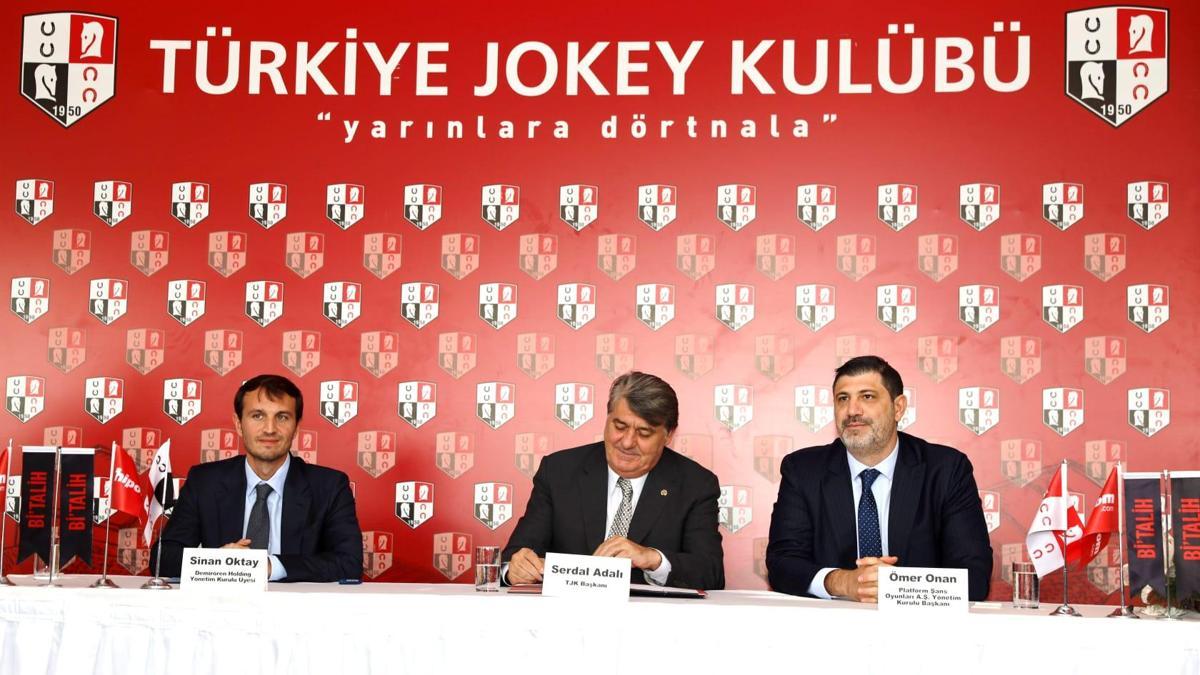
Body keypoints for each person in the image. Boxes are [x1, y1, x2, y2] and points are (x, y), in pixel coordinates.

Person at [766, 356, 992, 602]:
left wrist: (897, 585)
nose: (852, 410)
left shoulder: (946, 470)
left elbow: (974, 575)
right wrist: (843, 582)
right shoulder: (803, 470)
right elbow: (782, 564)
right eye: (843, 399)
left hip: (919, 621)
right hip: (831, 621)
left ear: (898, 407)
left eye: (867, 396)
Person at [502, 371, 724, 589]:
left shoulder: (696, 485)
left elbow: (711, 572)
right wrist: (515, 568)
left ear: (668, 435)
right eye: (620, 426)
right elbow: (514, 557)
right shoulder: (559, 471)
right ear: (607, 418)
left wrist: (652, 559)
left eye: (644, 433)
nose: (627, 442)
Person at [151, 374, 362, 581]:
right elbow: (162, 559)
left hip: (296, 604)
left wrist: (267, 566)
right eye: (257, 416)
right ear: (238, 424)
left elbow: (349, 563)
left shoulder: (330, 486)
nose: (269, 429)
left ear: (297, 427)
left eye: (282, 417)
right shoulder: (204, 482)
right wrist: (218, 561)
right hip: (222, 602)